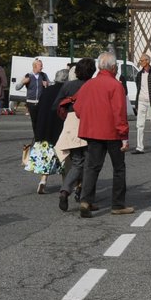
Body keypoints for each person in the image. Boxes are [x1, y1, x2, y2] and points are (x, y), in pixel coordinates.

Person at [74, 52, 132, 216]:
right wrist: (124, 136)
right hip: (112, 132)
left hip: (92, 132)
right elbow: (119, 112)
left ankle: (86, 200)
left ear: (99, 66)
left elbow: (78, 109)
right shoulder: (115, 85)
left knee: (92, 167)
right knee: (119, 168)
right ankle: (118, 204)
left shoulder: (88, 85)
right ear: (114, 67)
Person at [54, 58, 95, 211]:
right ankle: (84, 195)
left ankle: (65, 190)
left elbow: (56, 106)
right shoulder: (92, 86)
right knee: (91, 163)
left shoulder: (68, 86)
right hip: (89, 124)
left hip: (71, 125)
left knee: (77, 162)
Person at [31, 73, 65, 194]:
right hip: (60, 129)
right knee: (64, 157)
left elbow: (38, 109)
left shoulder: (47, 91)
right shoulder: (65, 91)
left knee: (47, 155)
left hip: (45, 128)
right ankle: (65, 184)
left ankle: (43, 181)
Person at [21, 58, 50, 139]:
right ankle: (37, 137)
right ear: (35, 66)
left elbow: (50, 86)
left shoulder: (44, 75)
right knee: (34, 121)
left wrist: (47, 84)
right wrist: (23, 82)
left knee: (42, 121)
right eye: (40, 66)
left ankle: (41, 136)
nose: (42, 67)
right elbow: (17, 87)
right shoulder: (28, 75)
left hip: (41, 102)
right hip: (31, 102)